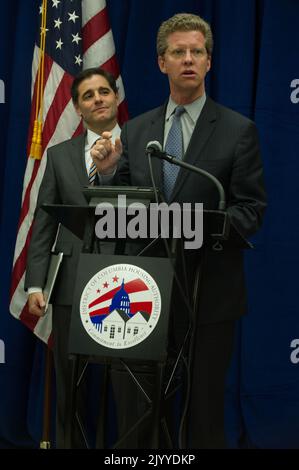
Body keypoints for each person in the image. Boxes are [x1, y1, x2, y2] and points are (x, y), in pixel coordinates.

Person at [90, 13, 267, 448]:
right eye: (178, 52)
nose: (188, 59)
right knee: (138, 406)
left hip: (208, 292)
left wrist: (200, 228)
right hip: (144, 290)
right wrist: (110, 174)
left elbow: (251, 211)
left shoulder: (237, 131)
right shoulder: (137, 131)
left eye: (197, 52)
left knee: (203, 408)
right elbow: (121, 205)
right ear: (161, 63)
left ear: (209, 62)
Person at [25, 67, 121, 448]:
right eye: (88, 95)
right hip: (70, 283)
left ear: (115, 98)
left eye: (103, 92)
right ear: (78, 109)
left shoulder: (144, 144)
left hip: (125, 284)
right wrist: (36, 283)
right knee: (69, 382)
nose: (97, 99)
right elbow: (45, 222)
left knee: (125, 384)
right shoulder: (61, 155)